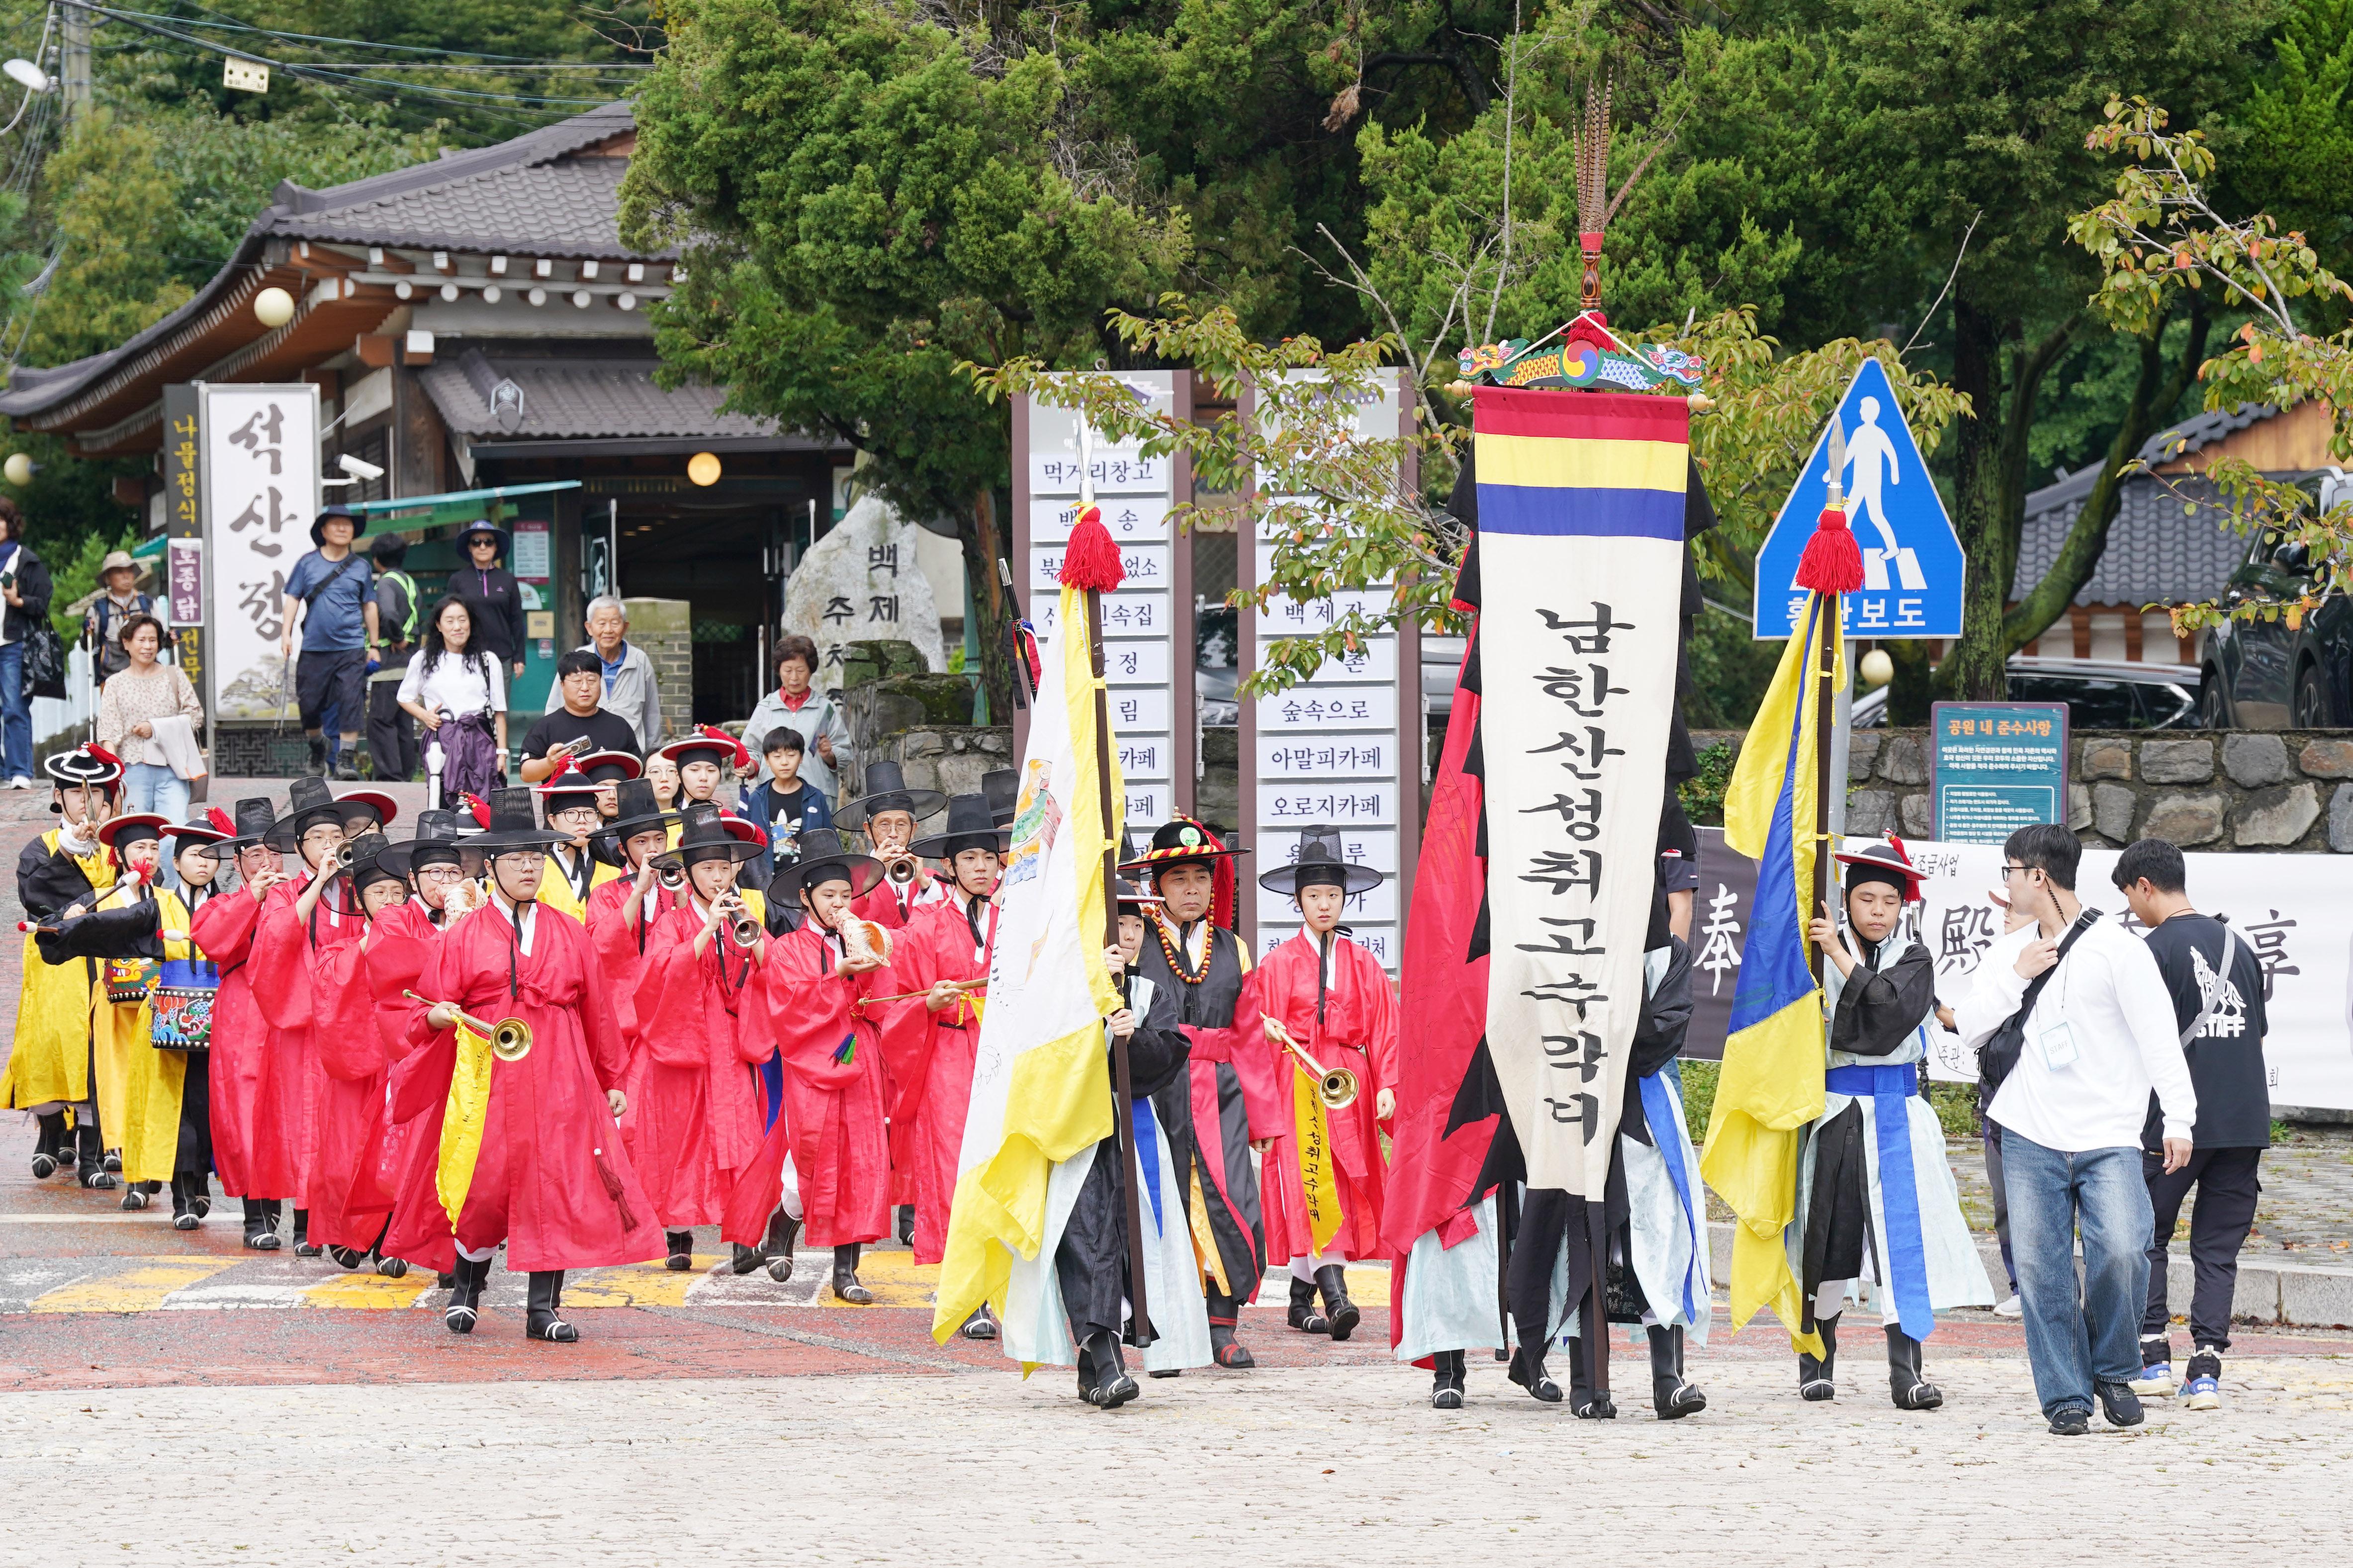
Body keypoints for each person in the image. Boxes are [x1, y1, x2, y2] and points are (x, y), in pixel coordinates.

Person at [383, 787, 661, 1341]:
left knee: (556, 1181)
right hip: (488, 1074)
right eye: (516, 858)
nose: (529, 866)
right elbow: (426, 1009)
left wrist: (611, 1080)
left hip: (562, 1071)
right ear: (491, 866)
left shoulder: (568, 930)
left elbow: (598, 1011)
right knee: (483, 1183)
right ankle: (466, 1287)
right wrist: (437, 1017)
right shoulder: (463, 934)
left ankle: (544, 1307)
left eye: (536, 855)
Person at [1951, 823, 2197, 1437]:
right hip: (2028, 1132)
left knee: (2121, 1248)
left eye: (2010, 871)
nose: (2005, 884)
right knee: (2041, 1269)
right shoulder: (2009, 951)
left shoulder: (2118, 948)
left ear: (2037, 875)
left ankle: (2113, 1366)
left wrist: (2179, 1118)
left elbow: (2159, 1039)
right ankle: (2064, 1393)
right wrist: (2017, 974)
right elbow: (1971, 1025)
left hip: (2108, 1132)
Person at [1796, 840, 1992, 1410]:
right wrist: (1826, 949)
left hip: (1899, 1114)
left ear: (1901, 905)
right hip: (1837, 1110)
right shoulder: (1815, 951)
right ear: (1847, 900)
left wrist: (1838, 953)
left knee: (1903, 1243)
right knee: (1831, 1237)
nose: (1877, 910)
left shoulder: (1916, 959)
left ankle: (1905, 1372)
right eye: (1866, 898)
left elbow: (1882, 1016)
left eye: (1888, 900)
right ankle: (1816, 1358)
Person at [1001, 870, 1209, 1403]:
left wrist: (1130, 1036)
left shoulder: (1147, 993)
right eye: (1113, 923)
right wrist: (1091, 1013)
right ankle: (1106, 1355)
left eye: (1134, 924)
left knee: (1128, 1246)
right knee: (1088, 1239)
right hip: (1074, 1134)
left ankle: (1097, 1364)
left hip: (1135, 1136)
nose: (1125, 934)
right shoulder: (1057, 995)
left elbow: (1165, 1059)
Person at [2111, 838, 2270, 1412]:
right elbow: (2258, 1031)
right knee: (2217, 1248)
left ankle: (2153, 1354)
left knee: (2146, 1235)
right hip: (2245, 1120)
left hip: (2172, 1126)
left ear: (2145, 886)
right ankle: (2206, 1367)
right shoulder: (2242, 946)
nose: (2132, 910)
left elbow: (2132, 1040)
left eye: (2130, 897)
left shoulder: (2148, 951)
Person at [1123, 817, 1278, 1372]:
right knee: (1161, 1203)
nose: (1191, 889)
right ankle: (1161, 1330)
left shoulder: (1233, 948)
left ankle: (1221, 1325)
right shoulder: (1136, 941)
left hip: (1222, 1092)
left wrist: (1263, 1120)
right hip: (1156, 1089)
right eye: (1178, 879)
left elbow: (1251, 1036)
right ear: (1157, 887)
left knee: (1230, 1200)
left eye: (1200, 878)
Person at [39, 813, 233, 1227]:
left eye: (212, 856)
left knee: (208, 1105)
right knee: (172, 1107)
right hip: (166, 1019)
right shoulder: (159, 906)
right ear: (176, 863)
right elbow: (114, 926)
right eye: (194, 856)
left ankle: (200, 1182)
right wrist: (67, 929)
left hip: (219, 1019)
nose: (203, 863)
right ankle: (182, 1198)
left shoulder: (229, 907)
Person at [1246, 828, 1396, 1347]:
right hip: (1297, 1083)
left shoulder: (1363, 962)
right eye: (1314, 895)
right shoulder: (1277, 963)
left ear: (1344, 897)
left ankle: (1297, 1299)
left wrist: (1388, 1084)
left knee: (1343, 1180)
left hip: (1349, 1084)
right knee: (1308, 1180)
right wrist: (1260, 1107)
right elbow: (1255, 1033)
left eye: (1332, 894)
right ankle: (1336, 1294)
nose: (1324, 903)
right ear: (1298, 901)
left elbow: (1385, 1028)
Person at [736, 827, 893, 1304]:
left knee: (863, 1163)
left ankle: (847, 1270)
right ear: (806, 897)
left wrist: (871, 964)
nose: (838, 903)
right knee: (812, 1159)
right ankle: (784, 1221)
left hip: (859, 1053)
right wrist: (837, 974)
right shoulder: (786, 949)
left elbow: (888, 995)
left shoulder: (864, 937)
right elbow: (787, 1005)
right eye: (828, 895)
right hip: (812, 1062)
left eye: (846, 894)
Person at [631, 809, 777, 1273]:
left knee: (740, 1134)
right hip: (683, 1041)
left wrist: (747, 929)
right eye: (707, 869)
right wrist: (708, 929)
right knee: (679, 1138)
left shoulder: (743, 913)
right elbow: (656, 976)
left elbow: (773, 966)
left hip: (731, 1041)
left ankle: (743, 1234)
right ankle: (678, 1233)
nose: (717, 877)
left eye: (723, 868)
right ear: (689, 874)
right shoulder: (672, 923)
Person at [886, 793, 1006, 1322]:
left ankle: (1002, 1285)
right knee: (955, 1168)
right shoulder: (925, 926)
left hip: (1003, 1057)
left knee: (1003, 1166)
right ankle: (966, 1291)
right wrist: (929, 1005)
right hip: (949, 1058)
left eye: (989, 858)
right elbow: (898, 1002)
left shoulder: (1016, 923)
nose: (981, 868)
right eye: (970, 859)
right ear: (948, 867)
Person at [252, 777, 374, 1259]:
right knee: (305, 1125)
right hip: (305, 1024)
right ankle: (306, 1224)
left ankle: (349, 1223)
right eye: (318, 838)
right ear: (300, 847)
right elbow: (276, 940)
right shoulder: (287, 892)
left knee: (349, 1128)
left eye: (335, 836)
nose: (329, 845)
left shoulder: (358, 887)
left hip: (353, 1021)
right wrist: (320, 880)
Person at [2, 744, 122, 1187]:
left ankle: (93, 1149)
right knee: (49, 1050)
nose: (87, 803)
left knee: (98, 1053)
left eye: (96, 796)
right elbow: (36, 897)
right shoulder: (42, 847)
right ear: (58, 797)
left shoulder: (116, 847)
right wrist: (70, 851)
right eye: (76, 794)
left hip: (106, 967)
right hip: (57, 967)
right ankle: (52, 1130)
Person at [187, 799, 301, 1248]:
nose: (268, 862)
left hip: (294, 1004)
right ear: (236, 861)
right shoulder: (223, 902)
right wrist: (253, 896)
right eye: (255, 854)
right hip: (243, 1007)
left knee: (298, 1107)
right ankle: (259, 1218)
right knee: (246, 1111)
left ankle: (309, 1224)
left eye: (275, 852)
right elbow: (212, 942)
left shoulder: (302, 894)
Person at [280, 504, 381, 781]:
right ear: (323, 531)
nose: (342, 528)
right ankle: (317, 747)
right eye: (335, 524)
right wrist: (286, 633)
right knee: (309, 704)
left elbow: (370, 606)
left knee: (351, 701)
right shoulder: (307, 563)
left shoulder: (361, 567)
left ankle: (345, 761)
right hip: (314, 648)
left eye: (347, 524)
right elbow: (293, 598)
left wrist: (375, 645)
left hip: (351, 647)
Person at [95, 612, 204, 866]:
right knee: (136, 838)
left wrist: (155, 728)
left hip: (172, 769)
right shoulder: (115, 684)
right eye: (141, 640)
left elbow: (195, 716)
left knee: (174, 833)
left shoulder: (174, 675)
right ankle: (140, 895)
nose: (148, 646)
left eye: (153, 640)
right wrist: (114, 780)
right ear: (126, 643)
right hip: (132, 771)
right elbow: (109, 733)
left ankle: (174, 896)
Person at [398, 597, 508, 810]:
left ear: (471, 623)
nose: (457, 627)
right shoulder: (423, 659)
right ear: (439, 626)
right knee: (443, 803)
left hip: (480, 743)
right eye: (450, 621)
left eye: (462, 620)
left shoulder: (488, 660)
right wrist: (424, 715)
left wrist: (501, 753)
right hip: (443, 740)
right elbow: (404, 697)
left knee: (484, 804)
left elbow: (499, 713)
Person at [740, 635, 850, 804]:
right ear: (779, 670)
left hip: (817, 797)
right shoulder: (765, 708)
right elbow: (751, 750)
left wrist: (830, 755)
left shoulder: (826, 709)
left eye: (800, 671)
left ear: (811, 670)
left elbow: (846, 753)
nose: (794, 678)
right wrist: (750, 767)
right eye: (788, 670)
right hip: (773, 797)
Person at [839, 760, 948, 929]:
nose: (893, 833)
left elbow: (947, 923)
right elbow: (842, 924)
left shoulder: (930, 877)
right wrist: (871, 879)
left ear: (913, 830)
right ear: (868, 831)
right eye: (884, 825)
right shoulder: (851, 878)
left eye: (902, 825)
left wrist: (922, 881)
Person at [550, 595, 662, 751]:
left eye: (615, 623)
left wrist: (653, 755)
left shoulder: (639, 661)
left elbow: (652, 714)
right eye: (602, 623)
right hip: (584, 752)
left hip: (629, 752)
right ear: (589, 628)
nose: (608, 630)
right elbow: (555, 706)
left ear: (625, 627)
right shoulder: (577, 660)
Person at [522, 651, 642, 782]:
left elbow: (637, 771)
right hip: (564, 801)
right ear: (562, 685)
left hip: (611, 800)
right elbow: (526, 774)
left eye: (591, 680)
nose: (585, 688)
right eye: (577, 681)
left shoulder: (619, 726)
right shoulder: (546, 727)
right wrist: (550, 763)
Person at [0, 498, 53, 788]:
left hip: (14, 644)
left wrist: (17, 601)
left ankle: (20, 771)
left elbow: (43, 602)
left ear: (11, 524)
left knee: (14, 707)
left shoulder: (26, 560)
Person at [533, 763, 627, 925]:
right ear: (553, 821)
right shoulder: (535, 872)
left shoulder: (615, 875)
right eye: (571, 814)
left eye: (589, 813)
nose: (582, 821)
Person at [365, 533, 422, 784]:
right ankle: (406, 774)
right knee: (403, 722)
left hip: (389, 662)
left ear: (376, 560)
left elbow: (387, 613)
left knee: (380, 720)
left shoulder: (386, 583)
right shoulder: (410, 582)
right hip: (409, 663)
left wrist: (396, 636)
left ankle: (390, 777)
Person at [739, 727, 832, 874]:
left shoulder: (815, 798)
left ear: (801, 758)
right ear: (767, 760)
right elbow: (745, 844)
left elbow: (830, 842)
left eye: (791, 755)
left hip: (808, 879)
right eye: (777, 757)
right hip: (766, 881)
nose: (784, 762)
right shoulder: (757, 799)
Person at [449, 521, 526, 680]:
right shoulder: (457, 580)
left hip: (502, 657)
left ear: (496, 547)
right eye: (476, 542)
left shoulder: (508, 580)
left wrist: (520, 657)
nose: (482, 547)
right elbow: (447, 618)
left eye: (489, 542)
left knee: (500, 705)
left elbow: (517, 620)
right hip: (465, 655)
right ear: (469, 548)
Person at [84, 549, 154, 681]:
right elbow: (87, 644)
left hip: (145, 671)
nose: (126, 576)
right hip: (111, 674)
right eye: (119, 572)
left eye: (129, 571)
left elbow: (162, 638)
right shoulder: (98, 608)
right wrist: (87, 629)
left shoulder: (147, 604)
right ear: (108, 578)